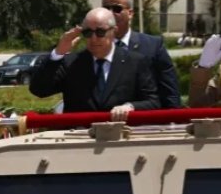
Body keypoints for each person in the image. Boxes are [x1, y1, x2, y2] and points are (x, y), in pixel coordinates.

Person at [29, 7, 159, 120]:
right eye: (88, 33)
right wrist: (58, 53)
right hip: (79, 139)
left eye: (100, 32)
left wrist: (130, 107)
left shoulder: (135, 62)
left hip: (120, 138)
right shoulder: (72, 63)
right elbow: (39, 90)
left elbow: (153, 102)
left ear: (113, 31)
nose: (93, 38)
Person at [102, 0, 181, 109]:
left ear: (130, 13)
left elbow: (170, 93)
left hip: (145, 122)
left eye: (117, 9)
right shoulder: (96, 47)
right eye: (106, 9)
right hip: (106, 123)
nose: (111, 13)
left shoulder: (153, 46)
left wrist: (173, 122)